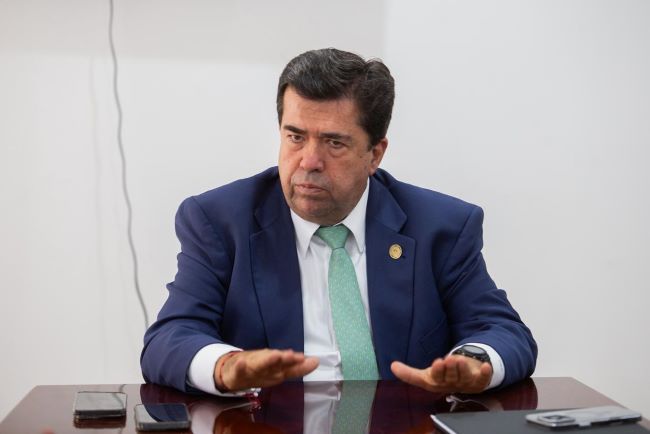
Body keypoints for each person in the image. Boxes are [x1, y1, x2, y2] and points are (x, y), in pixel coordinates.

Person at [140, 48, 537, 397]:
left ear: (375, 154)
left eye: (334, 142)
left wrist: (473, 363)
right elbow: (168, 339)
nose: (309, 161)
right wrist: (225, 366)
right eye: (295, 137)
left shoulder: (440, 227)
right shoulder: (220, 221)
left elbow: (504, 332)